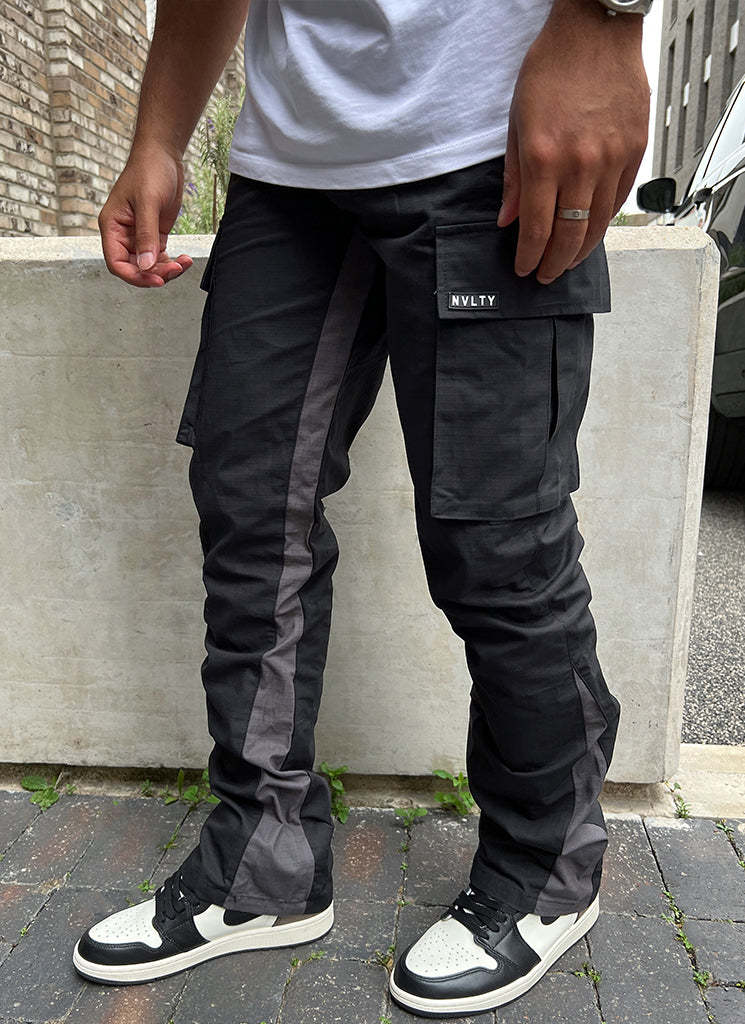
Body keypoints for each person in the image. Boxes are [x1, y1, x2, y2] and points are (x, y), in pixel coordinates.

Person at [72, 0, 651, 1015]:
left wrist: (606, 21)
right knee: (252, 514)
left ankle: (547, 864)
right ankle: (266, 862)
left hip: (493, 136)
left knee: (496, 539)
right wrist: (158, 136)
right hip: (288, 172)